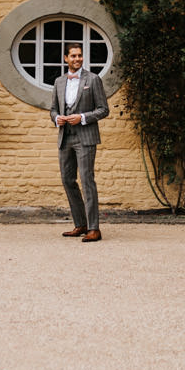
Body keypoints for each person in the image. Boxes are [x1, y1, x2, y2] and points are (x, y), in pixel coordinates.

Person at [51, 42, 110, 242]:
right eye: (73, 56)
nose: (77, 59)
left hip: (85, 137)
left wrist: (82, 117)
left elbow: (103, 109)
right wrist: (57, 118)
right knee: (68, 180)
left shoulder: (93, 80)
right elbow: (52, 109)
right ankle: (81, 224)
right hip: (65, 136)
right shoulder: (59, 82)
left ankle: (94, 228)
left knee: (87, 180)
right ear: (65, 59)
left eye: (80, 56)